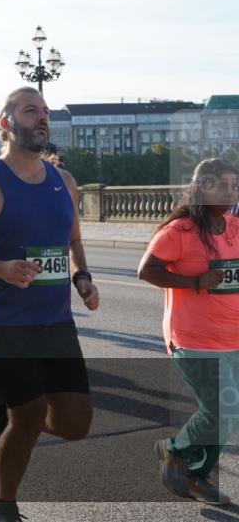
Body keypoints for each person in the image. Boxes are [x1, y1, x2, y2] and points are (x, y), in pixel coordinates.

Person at [0, 86, 100, 522]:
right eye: (32, 110)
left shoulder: (63, 182)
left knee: (75, 423)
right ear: (6, 124)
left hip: (56, 321)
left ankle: (7, 407)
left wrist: (81, 278)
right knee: (27, 416)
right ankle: (4, 506)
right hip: (6, 321)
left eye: (45, 111)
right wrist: (1, 269)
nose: (43, 117)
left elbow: (73, 241)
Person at [139, 158, 239, 506]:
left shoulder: (234, 227)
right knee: (222, 409)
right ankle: (175, 450)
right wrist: (194, 281)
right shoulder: (180, 230)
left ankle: (197, 476)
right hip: (192, 337)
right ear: (202, 188)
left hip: (233, 336)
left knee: (230, 413)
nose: (231, 192)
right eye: (223, 185)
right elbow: (147, 270)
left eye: (234, 185)